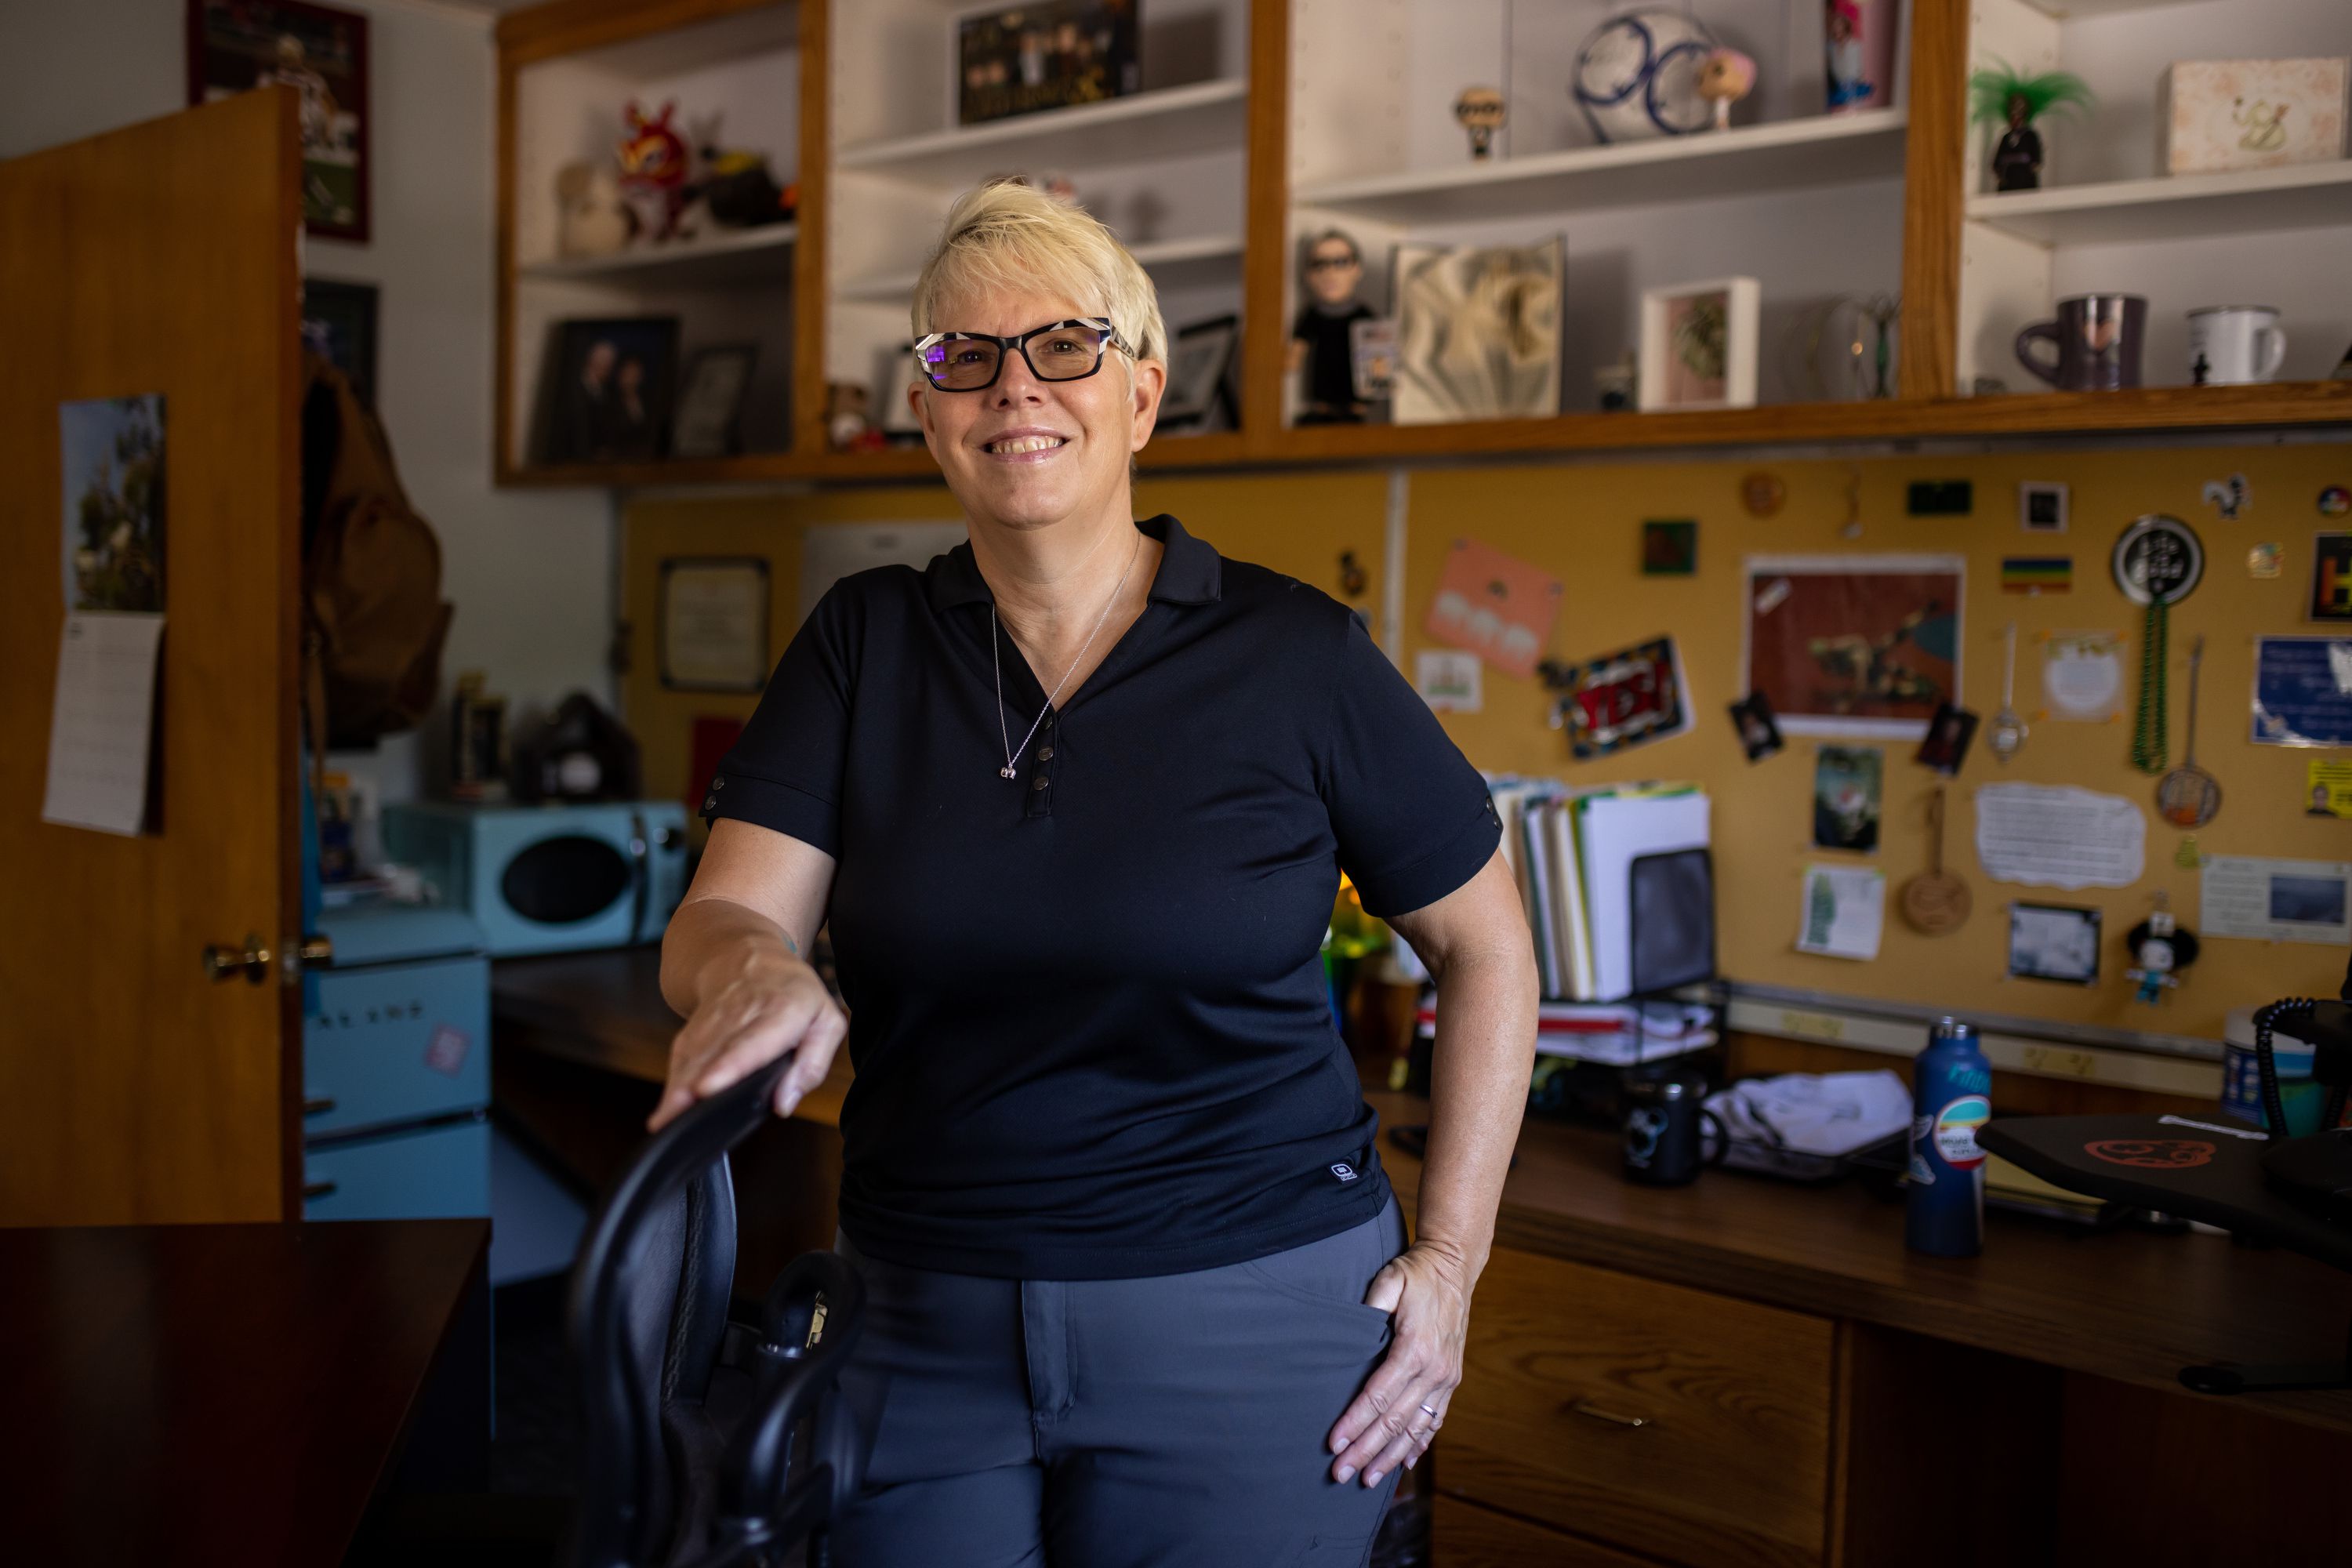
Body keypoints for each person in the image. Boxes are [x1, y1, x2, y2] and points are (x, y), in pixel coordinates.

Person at [652, 177, 1537, 1566]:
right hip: (918, 1311)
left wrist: (1453, 1262)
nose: (1016, 390)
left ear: (1142, 391)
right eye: (965, 356)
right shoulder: (862, 642)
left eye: (1063, 345)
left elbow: (1489, 949)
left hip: (1249, 1319)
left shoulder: (1296, 656)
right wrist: (755, 967)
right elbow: (719, 916)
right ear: (928, 406)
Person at [1289, 229, 1377, 424]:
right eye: (1320, 264)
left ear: (1356, 269)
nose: (1330, 272)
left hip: (1354, 402)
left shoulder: (1365, 317)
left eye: (1340, 262)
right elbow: (1295, 356)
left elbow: (1378, 361)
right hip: (1322, 402)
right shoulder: (1312, 316)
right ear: (1309, 275)